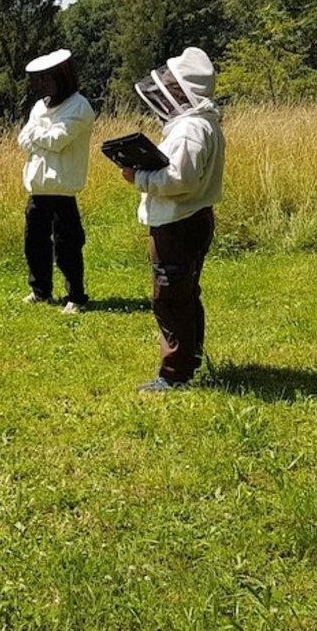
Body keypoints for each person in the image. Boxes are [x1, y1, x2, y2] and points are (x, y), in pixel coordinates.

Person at [121, 47, 225, 392]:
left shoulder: (190, 129)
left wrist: (139, 178)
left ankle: (174, 373)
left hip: (177, 223)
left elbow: (180, 180)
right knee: (185, 292)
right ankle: (190, 358)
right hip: (191, 219)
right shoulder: (203, 124)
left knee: (169, 296)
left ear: (181, 91)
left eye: (171, 86)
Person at [17, 49, 95, 314]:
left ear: (62, 77)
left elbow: (58, 140)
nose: (43, 86)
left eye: (47, 80)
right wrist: (42, 135)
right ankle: (41, 292)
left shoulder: (79, 105)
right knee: (34, 244)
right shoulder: (40, 106)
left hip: (62, 190)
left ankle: (76, 296)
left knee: (67, 246)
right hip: (37, 189)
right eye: (41, 80)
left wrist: (37, 134)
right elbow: (22, 139)